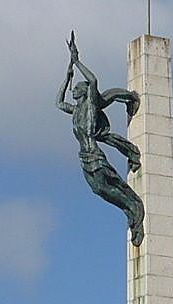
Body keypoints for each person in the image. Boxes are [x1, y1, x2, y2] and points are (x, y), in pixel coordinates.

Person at [57, 32, 145, 246]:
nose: (74, 91)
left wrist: (77, 62)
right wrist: (67, 77)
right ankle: (129, 208)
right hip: (83, 157)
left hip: (95, 155)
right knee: (99, 190)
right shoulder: (76, 111)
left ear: (85, 93)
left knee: (107, 184)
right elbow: (59, 103)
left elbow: (93, 80)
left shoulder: (89, 106)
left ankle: (134, 208)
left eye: (77, 88)